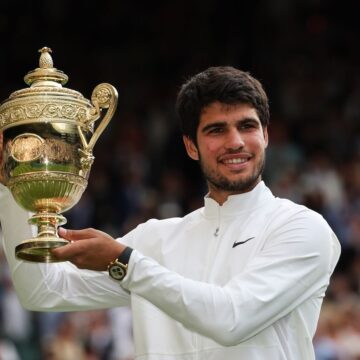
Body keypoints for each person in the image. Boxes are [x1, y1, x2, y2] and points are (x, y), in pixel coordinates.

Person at [0, 66, 341, 359]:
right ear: (191, 146)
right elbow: (42, 290)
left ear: (266, 136)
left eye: (247, 126)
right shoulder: (155, 239)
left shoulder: (302, 228)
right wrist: (8, 184)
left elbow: (232, 318)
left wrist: (126, 263)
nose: (235, 141)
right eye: (216, 130)